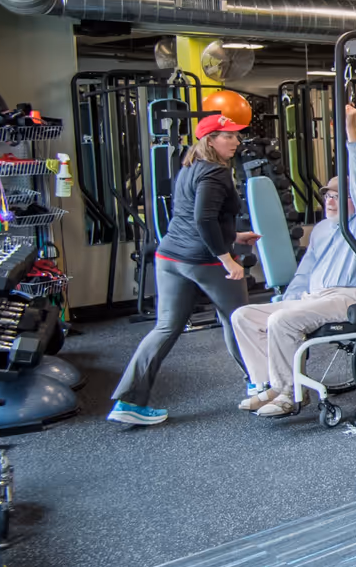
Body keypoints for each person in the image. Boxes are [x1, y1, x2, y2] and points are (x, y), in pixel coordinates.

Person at [108, 113, 261, 426]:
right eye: (227, 136)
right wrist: (227, 258)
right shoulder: (216, 172)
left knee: (166, 327)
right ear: (209, 140)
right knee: (238, 321)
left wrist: (233, 236)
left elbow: (195, 216)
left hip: (170, 257)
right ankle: (260, 383)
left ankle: (129, 402)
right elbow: (203, 220)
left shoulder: (190, 168)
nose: (235, 141)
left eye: (235, 135)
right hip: (202, 260)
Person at [233, 105, 356, 418]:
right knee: (244, 317)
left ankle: (290, 394)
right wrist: (289, 300)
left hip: (352, 296)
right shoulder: (322, 230)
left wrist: (351, 130)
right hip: (314, 298)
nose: (329, 200)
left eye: (338, 195)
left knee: (281, 322)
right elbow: (304, 274)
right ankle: (269, 387)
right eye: (327, 194)